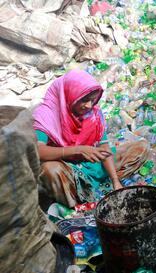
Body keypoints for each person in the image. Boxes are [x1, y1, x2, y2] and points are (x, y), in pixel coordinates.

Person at [33, 69, 150, 208]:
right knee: (49, 170)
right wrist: (76, 151)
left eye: (92, 100)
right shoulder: (46, 114)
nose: (89, 105)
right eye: (84, 100)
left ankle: (100, 185)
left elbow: (104, 148)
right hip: (67, 170)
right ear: (70, 95)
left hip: (92, 165)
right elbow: (37, 151)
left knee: (141, 147)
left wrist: (115, 181)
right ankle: (77, 204)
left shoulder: (92, 113)